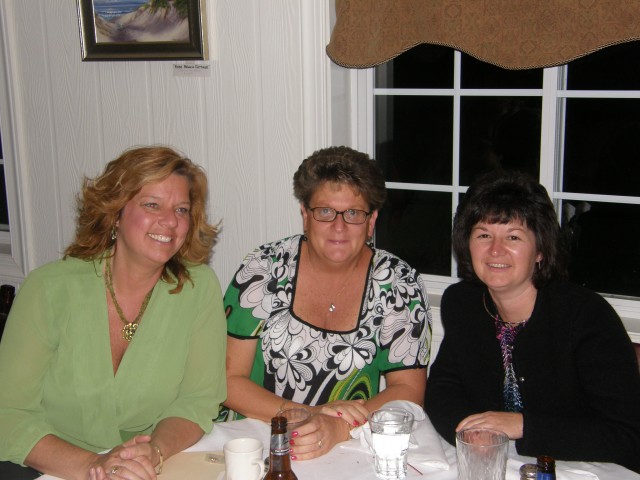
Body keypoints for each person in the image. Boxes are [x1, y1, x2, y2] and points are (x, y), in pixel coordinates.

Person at [0, 146, 227, 480]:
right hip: (45, 466)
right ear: (115, 213)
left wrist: (155, 450)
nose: (170, 221)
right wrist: (94, 466)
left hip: (146, 468)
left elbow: (198, 400)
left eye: (181, 209)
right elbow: (8, 413)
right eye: (152, 204)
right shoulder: (49, 289)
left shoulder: (198, 288)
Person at [223, 146, 432, 460]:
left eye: (353, 213)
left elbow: (408, 392)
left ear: (371, 220)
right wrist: (309, 415)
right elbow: (228, 380)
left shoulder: (400, 284)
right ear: (305, 215)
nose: (339, 226)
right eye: (325, 212)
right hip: (254, 440)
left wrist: (338, 428)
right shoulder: (262, 269)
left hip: (348, 446)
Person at [424, 170, 640, 473]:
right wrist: (470, 431)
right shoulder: (463, 303)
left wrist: (521, 425)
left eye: (513, 236)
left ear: (539, 250)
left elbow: (626, 436)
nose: (495, 250)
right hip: (504, 465)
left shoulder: (586, 316)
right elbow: (442, 390)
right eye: (484, 234)